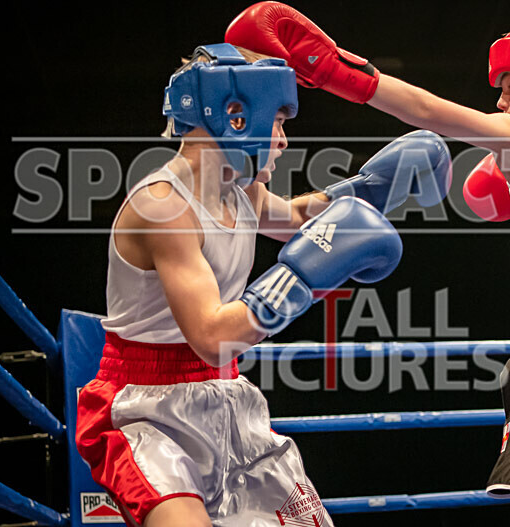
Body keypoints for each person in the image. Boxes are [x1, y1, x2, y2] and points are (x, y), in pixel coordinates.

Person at [225, 5, 510, 526]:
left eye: (509, 88)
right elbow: (496, 200)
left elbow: (430, 111)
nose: (500, 102)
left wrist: (336, 71)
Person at [75, 43, 451, 527]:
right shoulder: (163, 207)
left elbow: (295, 217)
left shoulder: (239, 189)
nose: (282, 140)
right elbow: (212, 337)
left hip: (225, 396)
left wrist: (369, 188)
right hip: (146, 412)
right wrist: (304, 277)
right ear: (235, 115)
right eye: (277, 121)